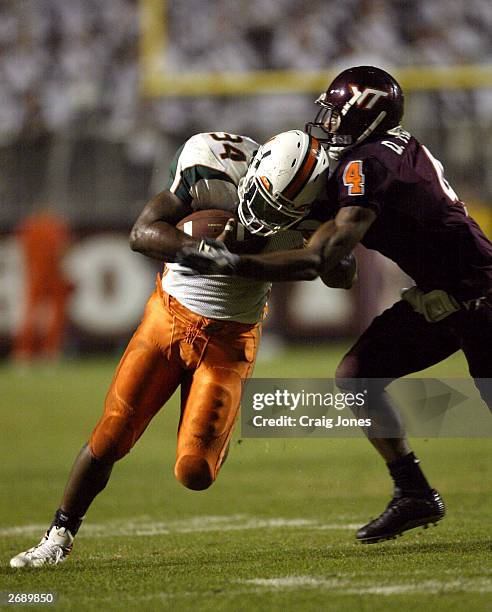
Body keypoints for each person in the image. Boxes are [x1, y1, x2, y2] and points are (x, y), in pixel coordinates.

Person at [178, 66, 492, 544]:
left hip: (480, 293)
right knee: (358, 376)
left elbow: (323, 260)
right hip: (443, 294)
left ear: (365, 117)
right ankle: (413, 492)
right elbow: (338, 262)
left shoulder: (366, 163)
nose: (325, 122)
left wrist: (236, 263)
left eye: (336, 113)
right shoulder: (380, 152)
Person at [9, 130, 329, 568]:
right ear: (252, 173)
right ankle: (57, 536)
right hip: (169, 318)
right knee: (111, 434)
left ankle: (213, 433)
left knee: (194, 472)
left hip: (230, 339)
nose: (265, 216)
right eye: (263, 200)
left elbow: (339, 267)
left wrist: (246, 264)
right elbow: (142, 233)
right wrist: (196, 250)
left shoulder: (321, 205)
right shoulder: (212, 164)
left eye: (283, 213)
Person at [13, 206, 71, 364]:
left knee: (31, 312)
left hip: (36, 272)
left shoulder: (29, 226)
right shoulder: (55, 225)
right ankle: (49, 351)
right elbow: (63, 249)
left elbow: (22, 249)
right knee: (54, 314)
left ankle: (25, 352)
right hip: (52, 273)